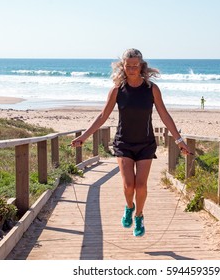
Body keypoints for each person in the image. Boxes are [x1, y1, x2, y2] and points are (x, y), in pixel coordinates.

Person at [71, 48, 191, 237]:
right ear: (123, 66)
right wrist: (84, 136)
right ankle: (129, 207)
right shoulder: (118, 90)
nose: (132, 69)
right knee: (129, 186)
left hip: (145, 144)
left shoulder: (152, 89)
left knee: (141, 186)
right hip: (123, 143)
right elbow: (103, 115)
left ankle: (139, 216)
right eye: (128, 66)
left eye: (135, 66)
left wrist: (179, 140)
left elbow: (164, 114)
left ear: (141, 66)